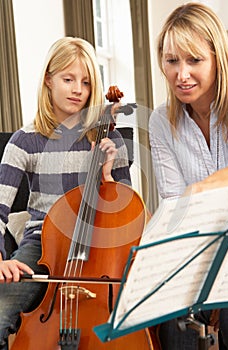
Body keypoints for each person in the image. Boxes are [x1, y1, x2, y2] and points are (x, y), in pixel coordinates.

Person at [0, 37, 131, 349]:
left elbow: (127, 212)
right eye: (68, 79)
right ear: (48, 79)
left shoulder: (109, 139)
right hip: (43, 246)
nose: (78, 90)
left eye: (86, 82)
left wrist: (108, 176)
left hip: (101, 248)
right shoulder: (24, 141)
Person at [149, 2, 228, 349]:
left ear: (217, 59)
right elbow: (173, 202)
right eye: (172, 61)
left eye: (194, 60)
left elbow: (190, 197)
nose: (181, 74)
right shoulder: (159, 121)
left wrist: (200, 189)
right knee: (164, 307)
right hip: (200, 245)